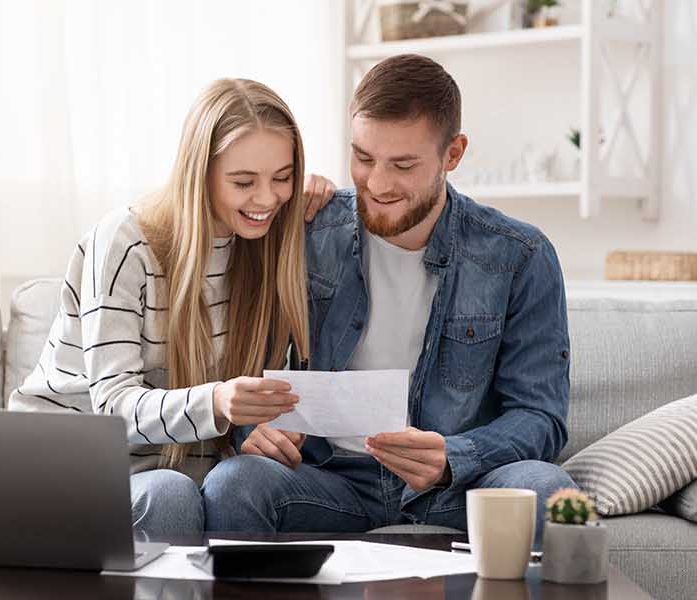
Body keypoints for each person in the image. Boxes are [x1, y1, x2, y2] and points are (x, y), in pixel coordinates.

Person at [203, 54, 575, 538]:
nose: (377, 184)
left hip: (456, 487)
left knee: (545, 487)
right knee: (234, 483)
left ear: (453, 154)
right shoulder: (307, 230)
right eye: (363, 158)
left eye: (403, 165)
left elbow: (541, 417)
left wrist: (452, 458)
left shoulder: (520, 256)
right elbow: (244, 361)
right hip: (329, 481)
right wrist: (257, 432)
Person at [8, 78, 336, 541]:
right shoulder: (125, 241)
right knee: (169, 496)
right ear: (199, 173)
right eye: (244, 182)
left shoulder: (265, 249)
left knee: (222, 486)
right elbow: (112, 408)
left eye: (282, 178)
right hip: (70, 464)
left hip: (180, 469)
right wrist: (219, 401)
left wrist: (253, 430)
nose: (266, 199)